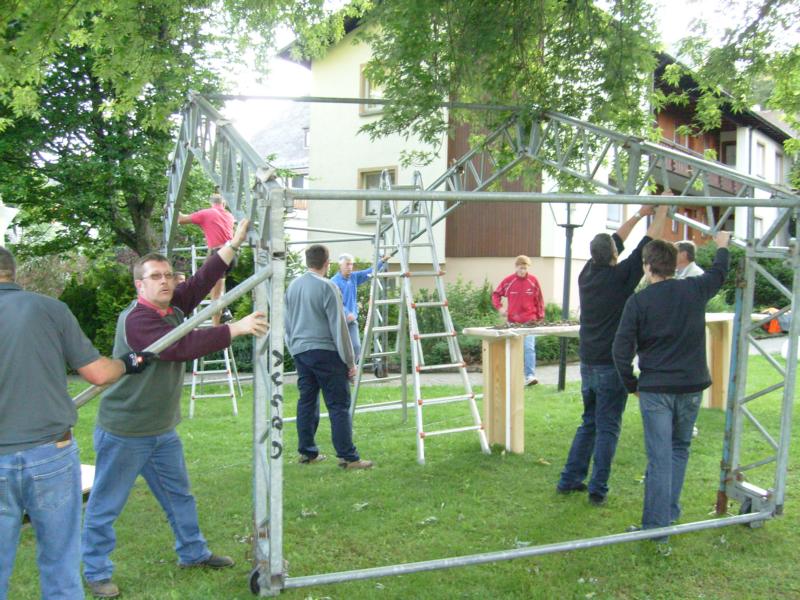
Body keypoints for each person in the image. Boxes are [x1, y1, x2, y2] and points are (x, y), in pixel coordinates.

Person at [81, 220, 268, 599]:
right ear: (140, 285)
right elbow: (179, 347)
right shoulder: (138, 319)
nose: (165, 281)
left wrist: (233, 243)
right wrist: (236, 329)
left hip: (161, 429)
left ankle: (193, 552)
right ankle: (96, 572)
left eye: (168, 275)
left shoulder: (172, 307)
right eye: (155, 277)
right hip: (126, 431)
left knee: (179, 495)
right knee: (105, 505)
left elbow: (201, 280)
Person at [0, 246, 151, 600]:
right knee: (61, 565)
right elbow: (98, 373)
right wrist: (127, 363)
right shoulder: (48, 309)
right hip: (50, 453)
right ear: (13, 272)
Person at [612, 231, 731, 545]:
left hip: (657, 390)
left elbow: (620, 350)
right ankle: (668, 514)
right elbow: (719, 272)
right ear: (675, 265)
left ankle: (657, 527)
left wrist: (631, 385)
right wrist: (722, 246)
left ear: (648, 266)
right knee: (679, 449)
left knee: (661, 456)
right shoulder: (693, 289)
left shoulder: (638, 302)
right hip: (690, 387)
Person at [556, 205, 667, 506]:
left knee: (589, 422)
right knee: (607, 428)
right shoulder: (620, 278)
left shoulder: (586, 273)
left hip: (588, 363)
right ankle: (597, 489)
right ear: (614, 255)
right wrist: (661, 211)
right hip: (611, 366)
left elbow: (615, 241)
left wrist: (640, 213)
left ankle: (569, 479)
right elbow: (649, 242)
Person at [285, 244, 374, 470]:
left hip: (301, 352)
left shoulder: (292, 286)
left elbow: (287, 324)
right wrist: (350, 361)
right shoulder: (328, 286)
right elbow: (339, 327)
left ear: (308, 261)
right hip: (326, 352)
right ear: (327, 263)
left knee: (306, 401)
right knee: (339, 405)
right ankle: (348, 457)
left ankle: (307, 453)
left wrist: (294, 349)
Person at [178, 192, 235, 325]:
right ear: (224, 203)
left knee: (215, 298)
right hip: (231, 255)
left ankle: (217, 330)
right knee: (215, 287)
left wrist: (173, 208)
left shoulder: (206, 213)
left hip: (218, 255)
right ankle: (225, 310)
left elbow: (181, 219)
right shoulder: (229, 215)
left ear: (211, 203)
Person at [491, 255, 545, 385]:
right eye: (521, 268)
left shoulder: (533, 281)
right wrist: (500, 308)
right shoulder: (509, 281)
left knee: (529, 348)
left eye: (525, 268)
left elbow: (539, 300)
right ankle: (511, 377)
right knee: (512, 349)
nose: (523, 271)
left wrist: (540, 317)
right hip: (513, 322)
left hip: (530, 321)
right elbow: (496, 295)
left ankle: (530, 376)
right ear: (516, 267)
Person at [330, 252, 390, 362]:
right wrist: (347, 313)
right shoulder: (334, 282)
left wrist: (382, 261)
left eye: (351, 264)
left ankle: (352, 368)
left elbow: (370, 271)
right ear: (340, 265)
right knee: (339, 350)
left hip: (352, 321)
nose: (350, 267)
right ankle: (341, 369)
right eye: (347, 264)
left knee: (356, 347)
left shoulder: (354, 277)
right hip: (339, 321)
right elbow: (336, 302)